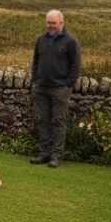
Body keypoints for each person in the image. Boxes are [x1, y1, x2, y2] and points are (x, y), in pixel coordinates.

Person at [29, 9, 81, 168]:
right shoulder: (41, 39)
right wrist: (35, 80)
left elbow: (76, 65)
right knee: (41, 120)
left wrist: (68, 85)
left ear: (61, 22)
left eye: (53, 23)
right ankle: (44, 154)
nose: (50, 26)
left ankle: (56, 157)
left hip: (60, 89)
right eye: (48, 22)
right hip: (41, 87)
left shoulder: (71, 41)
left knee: (58, 122)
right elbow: (36, 61)